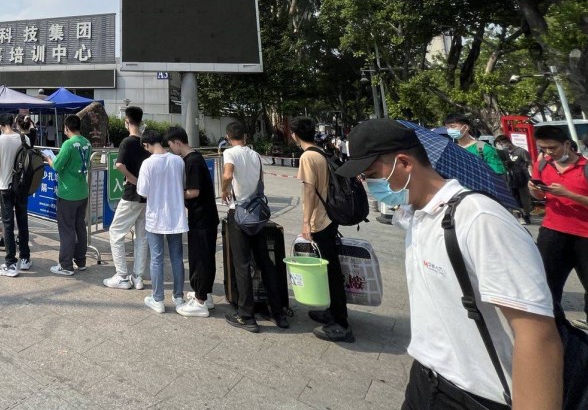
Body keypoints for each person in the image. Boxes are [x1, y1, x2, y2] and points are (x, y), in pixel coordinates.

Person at [337, 119, 562, 409]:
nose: (367, 185)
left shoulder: (481, 219)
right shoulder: (416, 216)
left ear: (404, 163)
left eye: (370, 175)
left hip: (479, 395)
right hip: (427, 379)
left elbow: (537, 334)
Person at [221, 121, 289, 331]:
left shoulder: (230, 153)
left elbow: (228, 174)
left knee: (242, 264)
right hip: (257, 213)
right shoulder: (255, 155)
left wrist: (224, 189)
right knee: (265, 262)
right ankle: (278, 312)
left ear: (228, 136)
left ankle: (247, 315)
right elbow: (261, 182)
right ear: (246, 137)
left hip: (239, 213)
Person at [290, 116, 353, 342]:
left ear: (294, 135)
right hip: (330, 216)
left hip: (320, 219)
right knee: (330, 269)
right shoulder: (321, 152)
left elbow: (309, 191)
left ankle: (341, 322)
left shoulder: (307, 156)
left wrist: (306, 223)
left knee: (332, 271)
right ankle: (332, 312)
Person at [529, 124, 588, 329]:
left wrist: (569, 194)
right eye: (543, 148)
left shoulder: (585, 167)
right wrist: (535, 191)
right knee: (547, 285)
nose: (548, 153)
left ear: (567, 144)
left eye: (552, 148)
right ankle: (556, 328)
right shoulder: (543, 165)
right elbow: (540, 197)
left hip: (584, 236)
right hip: (552, 232)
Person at [165, 126, 219, 317]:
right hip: (205, 216)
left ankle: (200, 302)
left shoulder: (192, 161)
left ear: (177, 142)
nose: (171, 149)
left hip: (202, 218)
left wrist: (175, 194)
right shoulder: (194, 158)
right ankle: (205, 294)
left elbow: (193, 191)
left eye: (171, 145)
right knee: (205, 257)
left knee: (199, 258)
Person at [136, 128, 187, 313]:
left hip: (156, 217)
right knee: (176, 257)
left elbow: (142, 191)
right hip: (176, 216)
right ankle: (179, 296)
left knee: (156, 258)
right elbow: (182, 184)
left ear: (147, 144)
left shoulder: (147, 164)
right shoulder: (178, 161)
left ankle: (158, 299)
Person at [103, 106, 150, 291]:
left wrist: (134, 180)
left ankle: (122, 275)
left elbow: (119, 164)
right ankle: (138, 277)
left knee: (115, 232)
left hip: (131, 194)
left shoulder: (126, 142)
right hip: (146, 197)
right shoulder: (146, 143)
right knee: (141, 237)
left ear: (127, 121)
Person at [46, 115, 91, 276]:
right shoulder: (87, 143)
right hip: (82, 191)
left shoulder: (68, 144)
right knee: (80, 227)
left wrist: (49, 158)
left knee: (66, 229)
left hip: (68, 193)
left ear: (66, 127)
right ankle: (81, 261)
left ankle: (65, 265)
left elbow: (57, 166)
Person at [0, 113, 30, 277]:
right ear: (12, 123)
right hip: (22, 186)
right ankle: (25, 258)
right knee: (22, 220)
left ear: (0, 125)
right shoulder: (24, 139)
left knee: (7, 224)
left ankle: (10, 263)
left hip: (6, 186)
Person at [495, 134, 534, 225]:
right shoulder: (502, 153)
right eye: (499, 144)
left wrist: (531, 177)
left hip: (522, 177)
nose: (502, 145)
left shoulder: (521, 151)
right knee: (513, 197)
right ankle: (519, 215)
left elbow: (529, 164)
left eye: (503, 143)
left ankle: (526, 215)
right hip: (509, 178)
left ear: (508, 141)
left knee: (524, 197)